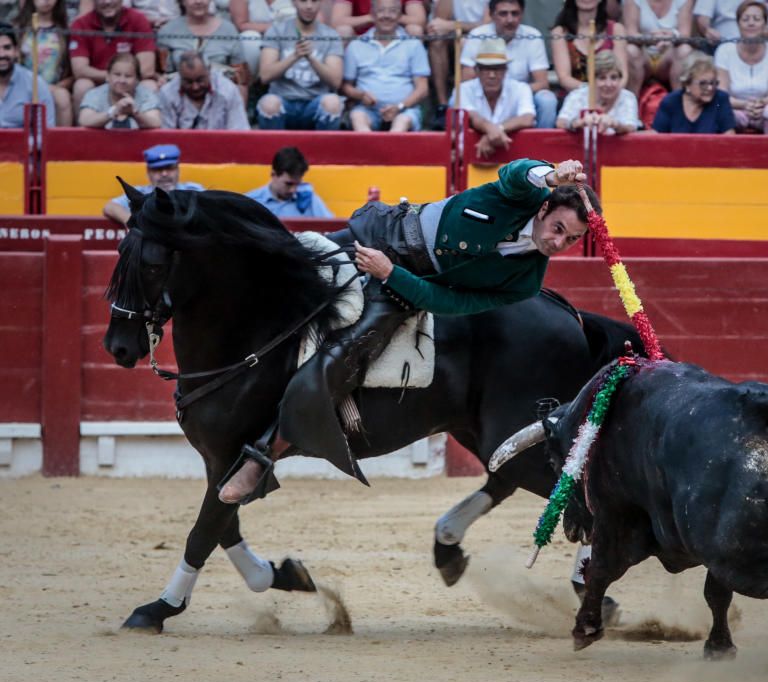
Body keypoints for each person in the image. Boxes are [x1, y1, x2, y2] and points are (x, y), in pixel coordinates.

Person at [217, 158, 598, 504]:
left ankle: (263, 456)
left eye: (571, 240)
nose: (558, 242)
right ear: (545, 207)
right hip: (380, 233)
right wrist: (550, 175)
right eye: (558, 228)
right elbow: (513, 172)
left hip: (402, 284)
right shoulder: (517, 196)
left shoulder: (527, 281)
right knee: (283, 266)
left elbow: (451, 303)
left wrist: (390, 274)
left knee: (343, 357)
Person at [461, 0, 558, 128]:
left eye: (515, 13)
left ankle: (543, 145)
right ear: (491, 15)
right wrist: (496, 90)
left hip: (520, 96)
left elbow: (542, 83)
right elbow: (467, 79)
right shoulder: (477, 35)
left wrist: (514, 92)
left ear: (522, 14)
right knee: (455, 100)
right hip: (485, 95)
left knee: (547, 100)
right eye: (503, 14)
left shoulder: (532, 35)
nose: (510, 19)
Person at [341, 0, 430, 132]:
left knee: (401, 123)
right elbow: (346, 86)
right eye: (381, 10)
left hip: (404, 110)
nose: (386, 15)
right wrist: (360, 95)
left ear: (400, 16)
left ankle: (389, 151)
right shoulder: (356, 45)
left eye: (393, 11)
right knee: (357, 117)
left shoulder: (413, 44)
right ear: (372, 14)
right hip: (367, 109)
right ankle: (371, 151)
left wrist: (400, 106)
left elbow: (423, 88)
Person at [256, 0, 344, 130]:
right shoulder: (276, 31)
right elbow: (265, 76)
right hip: (284, 100)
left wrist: (311, 58)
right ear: (293, 2)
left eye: (314, 1)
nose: (309, 6)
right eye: (303, 1)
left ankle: (323, 150)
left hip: (315, 102)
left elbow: (335, 81)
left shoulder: (331, 35)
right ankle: (274, 149)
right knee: (269, 103)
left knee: (333, 103)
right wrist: (295, 56)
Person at [450, 37, 535, 157]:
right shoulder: (463, 90)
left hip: (512, 159)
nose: (492, 75)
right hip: (468, 156)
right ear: (477, 70)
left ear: (505, 70)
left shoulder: (520, 88)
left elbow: (527, 118)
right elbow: (472, 116)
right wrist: (491, 129)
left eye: (497, 69)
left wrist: (495, 130)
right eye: (486, 69)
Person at [69, 0, 156, 113]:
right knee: (82, 85)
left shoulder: (138, 19)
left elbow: (147, 69)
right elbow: (79, 70)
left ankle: (145, 127)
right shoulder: (81, 24)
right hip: (97, 85)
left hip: (130, 84)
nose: (107, 2)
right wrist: (114, 78)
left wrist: (122, 80)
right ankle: (83, 128)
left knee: (150, 85)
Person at [713, 0, 768, 132]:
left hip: (764, 108)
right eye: (745, 19)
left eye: (756, 19)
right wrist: (744, 105)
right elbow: (722, 94)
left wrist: (759, 105)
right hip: (734, 108)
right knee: (720, 109)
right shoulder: (724, 50)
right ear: (738, 24)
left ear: (765, 24)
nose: (751, 23)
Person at [103, 144, 205, 224]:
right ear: (148, 172)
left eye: (169, 168)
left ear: (178, 169)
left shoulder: (194, 191)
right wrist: (134, 223)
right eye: (157, 169)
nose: (164, 174)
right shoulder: (141, 193)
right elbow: (110, 207)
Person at [427, 0, 489, 129]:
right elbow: (438, 22)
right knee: (436, 40)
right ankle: (443, 106)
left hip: (485, 36)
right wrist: (452, 27)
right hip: (456, 34)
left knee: (464, 43)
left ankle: (464, 106)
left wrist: (453, 25)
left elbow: (488, 23)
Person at [157, 0, 247, 87]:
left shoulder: (229, 30)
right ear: (182, 1)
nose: (198, 1)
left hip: (221, 93)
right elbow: (162, 74)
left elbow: (241, 79)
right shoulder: (167, 31)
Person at [550, 0, 629, 95]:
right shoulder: (560, 32)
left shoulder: (617, 29)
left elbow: (623, 76)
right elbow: (564, 78)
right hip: (575, 96)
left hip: (611, 95)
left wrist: (608, 94)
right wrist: (593, 91)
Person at [16, 0, 73, 125]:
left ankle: (62, 143)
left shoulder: (65, 31)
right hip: (22, 87)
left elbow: (72, 73)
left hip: (53, 87)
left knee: (62, 97)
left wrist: (56, 87)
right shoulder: (18, 29)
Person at [159, 52, 251, 129]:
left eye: (200, 80)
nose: (195, 87)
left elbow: (239, 130)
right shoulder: (167, 94)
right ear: (180, 76)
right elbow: (165, 136)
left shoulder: (228, 90)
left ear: (209, 71)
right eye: (188, 82)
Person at [557, 49, 640, 133]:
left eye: (614, 77)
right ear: (592, 80)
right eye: (602, 78)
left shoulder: (627, 97)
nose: (608, 84)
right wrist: (579, 122)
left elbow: (631, 127)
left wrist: (615, 124)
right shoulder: (577, 95)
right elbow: (561, 122)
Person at [653, 50, 736, 132]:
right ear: (687, 84)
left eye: (713, 83)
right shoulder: (671, 101)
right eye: (703, 84)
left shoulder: (720, 99)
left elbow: (729, 137)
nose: (710, 88)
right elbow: (658, 137)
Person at [622, 0, 694, 94]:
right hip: (644, 54)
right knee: (631, 50)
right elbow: (630, 33)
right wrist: (649, 39)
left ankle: (679, 103)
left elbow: (685, 34)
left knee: (685, 50)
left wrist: (671, 36)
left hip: (669, 55)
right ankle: (631, 103)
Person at [78, 51, 161, 128]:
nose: (122, 80)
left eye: (128, 76)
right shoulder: (94, 94)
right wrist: (113, 111)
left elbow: (156, 123)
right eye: (117, 75)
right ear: (108, 76)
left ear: (137, 80)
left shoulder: (147, 95)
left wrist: (135, 113)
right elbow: (84, 121)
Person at [245, 146, 333, 218]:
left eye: (298, 184)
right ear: (273, 175)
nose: (293, 190)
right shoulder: (251, 202)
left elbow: (332, 232)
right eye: (288, 184)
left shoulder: (308, 198)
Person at [0, 22, 56, 127]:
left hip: (22, 143)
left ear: (16, 51)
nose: (1, 54)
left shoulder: (35, 84)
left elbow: (44, 132)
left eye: (7, 48)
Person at [695, 0, 768, 42]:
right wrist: (707, 30)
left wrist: (761, 34)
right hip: (723, 42)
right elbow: (702, 19)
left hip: (766, 43)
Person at [331, 0, 426, 38]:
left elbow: (420, 20)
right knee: (343, 31)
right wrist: (373, 17)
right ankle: (348, 79)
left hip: (396, 37)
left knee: (415, 29)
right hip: (360, 39)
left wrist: (389, 15)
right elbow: (337, 22)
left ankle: (415, 77)